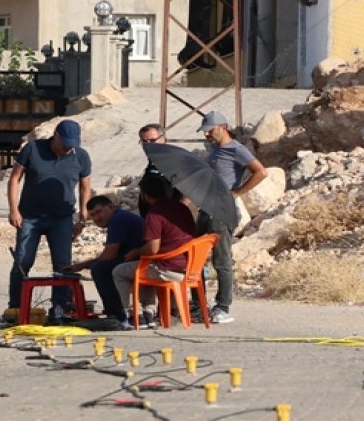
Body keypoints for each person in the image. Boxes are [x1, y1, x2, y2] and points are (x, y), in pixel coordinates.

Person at [5, 119, 92, 323]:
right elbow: (15, 178)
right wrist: (13, 210)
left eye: (72, 145)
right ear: (55, 135)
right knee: (23, 261)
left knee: (62, 266)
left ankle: (60, 309)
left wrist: (83, 218)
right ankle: (15, 308)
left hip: (62, 219)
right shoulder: (33, 149)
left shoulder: (81, 156)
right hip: (30, 217)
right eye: (64, 144)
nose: (67, 149)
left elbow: (85, 187)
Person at [197, 110, 266, 325]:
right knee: (195, 258)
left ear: (222, 127)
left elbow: (260, 172)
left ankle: (222, 306)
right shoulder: (215, 150)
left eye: (210, 130)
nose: (207, 135)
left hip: (222, 210)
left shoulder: (236, 149)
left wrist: (236, 192)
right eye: (205, 132)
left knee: (222, 259)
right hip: (206, 208)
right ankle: (197, 303)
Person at [112, 175, 196, 330]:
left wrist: (136, 251)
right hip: (189, 266)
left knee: (120, 271)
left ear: (144, 195)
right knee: (145, 265)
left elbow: (152, 249)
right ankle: (148, 312)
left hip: (168, 268)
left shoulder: (154, 215)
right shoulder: (182, 208)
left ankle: (128, 314)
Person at [63, 195, 144, 325]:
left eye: (99, 212)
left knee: (100, 269)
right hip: (137, 259)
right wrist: (82, 265)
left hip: (145, 261)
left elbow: (109, 256)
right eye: (93, 215)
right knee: (103, 266)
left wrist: (82, 265)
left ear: (111, 207)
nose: (96, 218)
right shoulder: (118, 217)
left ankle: (116, 315)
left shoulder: (118, 219)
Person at [135, 123, 169, 219]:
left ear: (164, 140)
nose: (148, 145)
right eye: (144, 142)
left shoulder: (174, 162)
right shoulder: (152, 162)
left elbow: (187, 195)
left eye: (153, 141)